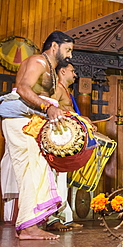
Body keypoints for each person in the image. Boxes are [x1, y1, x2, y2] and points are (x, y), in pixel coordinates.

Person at [0, 30, 74, 240]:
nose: (69, 55)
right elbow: (23, 88)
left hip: (29, 121)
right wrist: (47, 107)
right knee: (29, 171)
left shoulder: (50, 68)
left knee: (38, 170)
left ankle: (31, 223)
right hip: (19, 121)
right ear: (54, 46)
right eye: (67, 50)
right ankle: (27, 227)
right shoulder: (38, 62)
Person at [45, 60, 83, 231]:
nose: (75, 74)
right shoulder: (57, 89)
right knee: (54, 179)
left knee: (62, 181)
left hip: (65, 141)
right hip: (56, 140)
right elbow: (49, 110)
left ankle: (65, 217)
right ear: (62, 71)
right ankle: (52, 219)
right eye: (72, 71)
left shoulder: (66, 91)